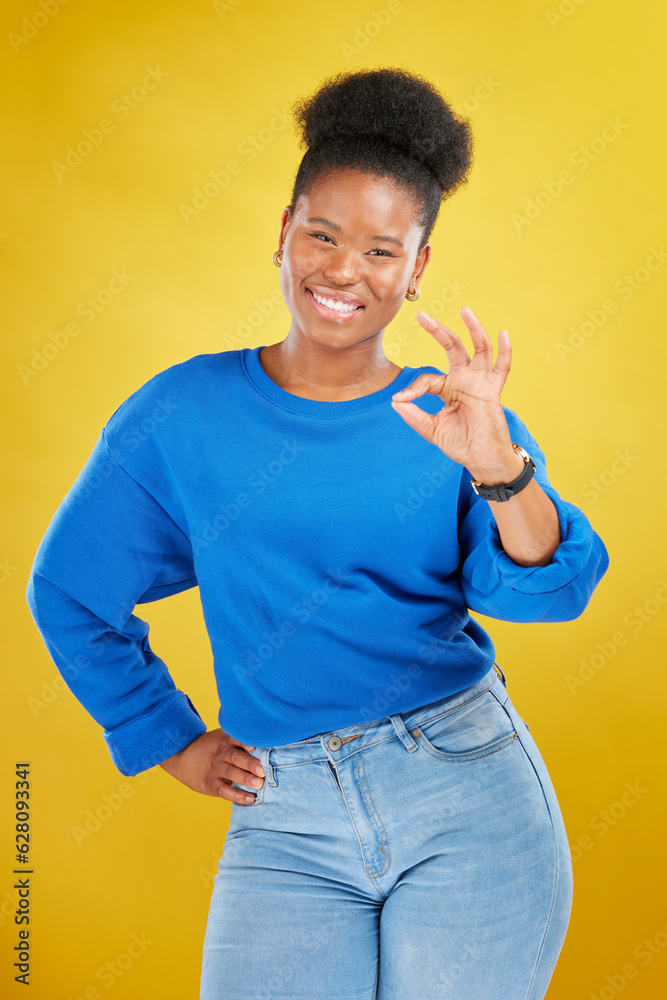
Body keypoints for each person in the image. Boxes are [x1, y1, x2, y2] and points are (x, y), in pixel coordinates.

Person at [26, 67, 609, 1000]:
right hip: (285, 815)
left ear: (416, 268)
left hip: (464, 789)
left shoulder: (450, 415)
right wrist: (166, 737)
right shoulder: (181, 413)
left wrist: (498, 468)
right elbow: (68, 590)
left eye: (381, 250)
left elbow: (551, 589)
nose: (343, 271)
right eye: (323, 235)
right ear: (282, 234)